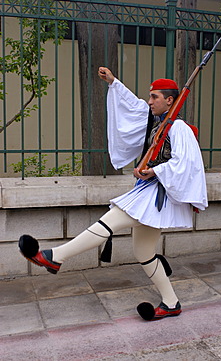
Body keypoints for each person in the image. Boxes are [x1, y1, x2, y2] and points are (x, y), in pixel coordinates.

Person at [19, 67, 208, 321]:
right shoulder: (157, 123)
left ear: (170, 100)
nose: (149, 101)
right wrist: (114, 83)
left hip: (159, 195)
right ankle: (171, 303)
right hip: (149, 191)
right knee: (143, 252)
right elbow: (134, 107)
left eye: (155, 97)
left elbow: (186, 164)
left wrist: (154, 172)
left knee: (112, 219)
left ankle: (55, 257)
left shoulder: (180, 128)